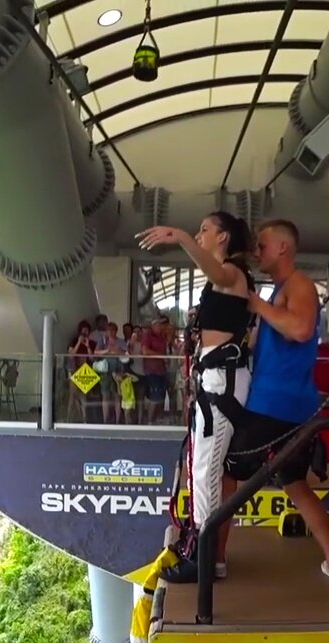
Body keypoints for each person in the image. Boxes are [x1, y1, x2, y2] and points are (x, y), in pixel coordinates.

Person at [220, 219, 329, 588]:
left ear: (282, 247)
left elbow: (300, 330)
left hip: (272, 406)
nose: (257, 251)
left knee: (227, 472)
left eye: (262, 245)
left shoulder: (299, 285)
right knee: (294, 482)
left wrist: (255, 302)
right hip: (288, 406)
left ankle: (214, 559)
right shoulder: (282, 289)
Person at [138, 211, 256, 583]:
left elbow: (216, 272)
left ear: (223, 238)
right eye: (198, 230)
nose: (199, 234)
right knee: (204, 466)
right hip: (214, 376)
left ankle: (203, 555)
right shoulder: (221, 282)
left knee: (205, 467)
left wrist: (179, 237)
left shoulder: (232, 274)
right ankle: (208, 553)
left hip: (222, 379)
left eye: (205, 230)